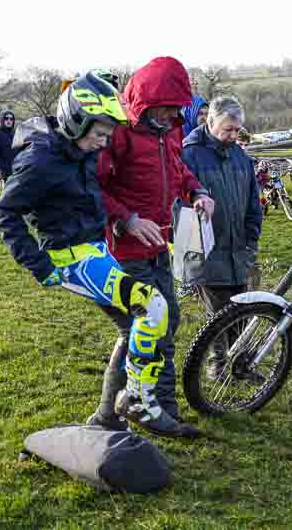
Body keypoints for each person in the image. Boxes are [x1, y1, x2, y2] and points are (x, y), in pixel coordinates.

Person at [0, 73, 181, 436]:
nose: (103, 143)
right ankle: (136, 400)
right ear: (75, 120)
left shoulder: (78, 151)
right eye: (99, 135)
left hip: (96, 250)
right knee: (152, 305)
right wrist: (39, 265)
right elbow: (5, 212)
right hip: (70, 258)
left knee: (133, 328)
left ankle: (107, 418)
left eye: (108, 136)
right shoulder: (41, 161)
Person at [98, 56, 215, 437]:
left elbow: (177, 169)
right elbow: (92, 186)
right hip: (123, 251)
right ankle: (117, 411)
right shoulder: (118, 133)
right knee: (140, 329)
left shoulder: (170, 132)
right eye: (165, 109)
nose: (171, 116)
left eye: (175, 110)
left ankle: (161, 407)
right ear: (147, 102)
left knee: (168, 322)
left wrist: (196, 191)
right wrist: (126, 219)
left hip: (157, 246)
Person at [181, 96, 263, 379]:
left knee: (242, 307)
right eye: (227, 129)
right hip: (206, 249)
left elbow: (254, 201)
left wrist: (251, 239)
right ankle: (218, 365)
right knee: (218, 313)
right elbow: (177, 206)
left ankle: (241, 363)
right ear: (210, 121)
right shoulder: (189, 155)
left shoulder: (240, 156)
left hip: (239, 247)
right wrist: (191, 254)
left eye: (237, 130)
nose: (233, 135)